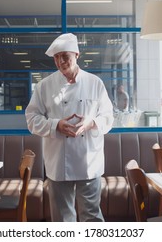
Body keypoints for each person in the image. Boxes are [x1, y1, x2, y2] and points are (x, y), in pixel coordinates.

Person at [25, 33, 114, 222]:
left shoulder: (94, 83)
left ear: (77, 54)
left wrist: (91, 123)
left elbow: (108, 116)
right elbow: (31, 119)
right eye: (56, 57)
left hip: (89, 159)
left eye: (65, 56)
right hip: (59, 161)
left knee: (92, 216)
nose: (60, 61)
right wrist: (55, 124)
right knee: (63, 219)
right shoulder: (44, 86)